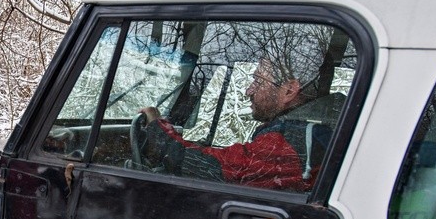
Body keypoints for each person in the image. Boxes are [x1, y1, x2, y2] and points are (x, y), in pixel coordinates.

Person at [139, 55, 342, 192]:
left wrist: (159, 132)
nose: (248, 91)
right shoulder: (312, 130)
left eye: (258, 81)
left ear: (289, 90)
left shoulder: (292, 137)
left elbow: (220, 170)